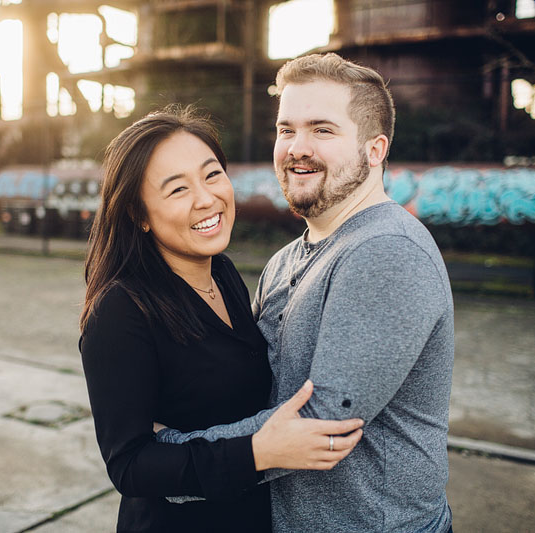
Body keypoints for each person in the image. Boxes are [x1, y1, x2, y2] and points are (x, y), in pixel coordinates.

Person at [157, 54, 455, 532]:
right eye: (286, 129)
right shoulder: (284, 260)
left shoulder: (386, 252)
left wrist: (171, 458)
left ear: (375, 150)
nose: (297, 147)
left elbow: (318, 428)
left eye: (322, 130)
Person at [78, 106, 364, 533]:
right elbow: (130, 465)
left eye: (212, 175)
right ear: (139, 215)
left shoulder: (223, 272)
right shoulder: (121, 310)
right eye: (177, 190)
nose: (207, 198)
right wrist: (259, 452)